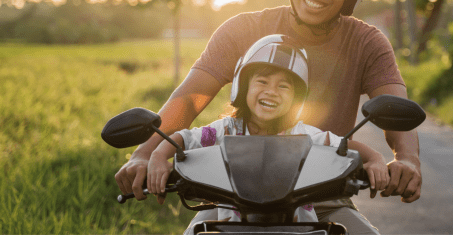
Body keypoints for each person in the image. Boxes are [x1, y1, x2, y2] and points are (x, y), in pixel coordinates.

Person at [115, 0, 421, 235]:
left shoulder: (367, 42)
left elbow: (393, 107)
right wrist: (145, 154)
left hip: (321, 197)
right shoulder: (243, 29)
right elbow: (190, 99)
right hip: (234, 198)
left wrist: (408, 159)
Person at [147, 35, 390, 227]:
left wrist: (376, 160)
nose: (272, 91)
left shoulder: (304, 135)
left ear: (297, 98)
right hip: (231, 228)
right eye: (262, 81)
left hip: (300, 230)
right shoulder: (226, 129)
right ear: (243, 87)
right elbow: (184, 139)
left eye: (283, 86)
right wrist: (158, 158)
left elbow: (343, 145)